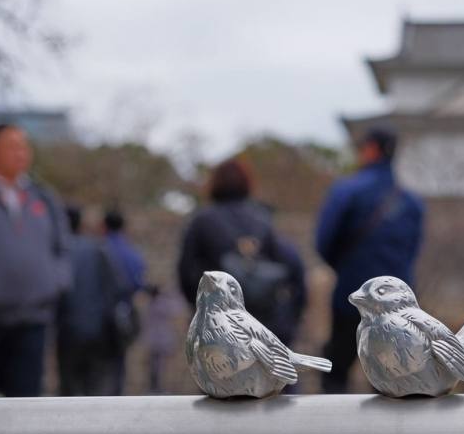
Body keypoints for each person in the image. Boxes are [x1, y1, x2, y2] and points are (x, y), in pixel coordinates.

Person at [316, 126, 425, 393]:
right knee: (393, 371)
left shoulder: (347, 191)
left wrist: (344, 269)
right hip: (398, 305)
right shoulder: (411, 202)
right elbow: (412, 251)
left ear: (372, 149)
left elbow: (323, 241)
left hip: (351, 294)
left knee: (337, 369)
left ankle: (335, 431)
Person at [0, 124, 70, 397]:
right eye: (12, 146)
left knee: (26, 407)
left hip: (32, 320)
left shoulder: (43, 198)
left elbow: (62, 248)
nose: (21, 153)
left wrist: (56, 282)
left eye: (24, 146)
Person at [178, 159, 306, 344]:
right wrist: (291, 315)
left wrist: (198, 310)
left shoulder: (201, 221)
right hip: (261, 325)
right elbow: (294, 266)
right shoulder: (262, 219)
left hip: (218, 326)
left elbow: (184, 271)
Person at [57, 206, 118, 396]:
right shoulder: (97, 249)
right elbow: (112, 289)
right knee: (95, 387)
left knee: (69, 387)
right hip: (97, 329)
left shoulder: (59, 251)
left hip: (67, 330)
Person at [102, 209, 145, 395]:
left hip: (99, 314)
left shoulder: (100, 249)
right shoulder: (131, 253)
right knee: (119, 363)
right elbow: (138, 282)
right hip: (122, 314)